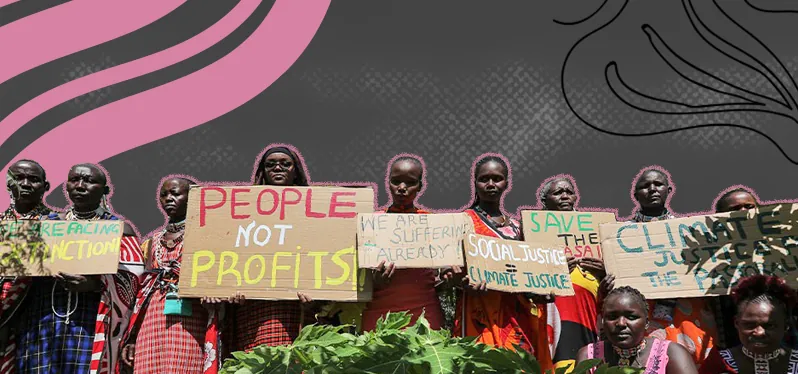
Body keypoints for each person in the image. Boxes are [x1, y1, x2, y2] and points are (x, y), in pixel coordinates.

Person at [12, 163, 144, 374]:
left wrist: (95, 284)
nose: (80, 186)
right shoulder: (48, 225)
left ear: (105, 190)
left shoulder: (118, 228)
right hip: (44, 321)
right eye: (74, 180)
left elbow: (133, 279)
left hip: (90, 320)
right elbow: (18, 276)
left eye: (89, 181)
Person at [447, 154, 553, 370]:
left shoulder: (520, 227)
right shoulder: (462, 222)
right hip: (479, 311)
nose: (491, 184)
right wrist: (461, 281)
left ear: (507, 183)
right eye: (484, 179)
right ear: (474, 183)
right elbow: (447, 273)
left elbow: (530, 270)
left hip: (516, 315)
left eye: (497, 179)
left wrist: (543, 287)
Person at [221, 145, 319, 353]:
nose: (277, 168)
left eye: (285, 164)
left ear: (296, 170)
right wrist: (228, 289)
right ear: (263, 171)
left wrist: (318, 294)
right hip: (253, 308)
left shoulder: (315, 211)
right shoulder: (244, 211)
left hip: (295, 308)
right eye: (270, 164)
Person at [120, 177, 222, 373]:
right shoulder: (150, 243)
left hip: (190, 321)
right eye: (164, 195)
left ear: (192, 198)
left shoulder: (206, 237)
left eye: (175, 194)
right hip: (151, 324)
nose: (168, 199)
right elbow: (139, 294)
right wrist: (132, 337)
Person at [626, 167, 717, 366]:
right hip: (644, 308)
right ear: (635, 195)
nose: (652, 189)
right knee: (647, 362)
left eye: (658, 184)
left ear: (669, 190)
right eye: (645, 186)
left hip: (685, 309)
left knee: (693, 359)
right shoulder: (622, 235)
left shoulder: (690, 230)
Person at [361, 155, 444, 331]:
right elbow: (358, 272)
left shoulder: (434, 224)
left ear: (420, 186)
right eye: (396, 181)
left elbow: (445, 274)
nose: (402, 188)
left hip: (424, 314)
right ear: (388, 182)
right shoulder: (371, 222)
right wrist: (373, 280)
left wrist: (450, 277)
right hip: (380, 313)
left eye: (410, 182)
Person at [540, 176, 606, 372]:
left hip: (588, 311)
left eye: (569, 192)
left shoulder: (593, 229)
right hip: (553, 312)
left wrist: (603, 270)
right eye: (558, 192)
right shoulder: (533, 232)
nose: (565, 196)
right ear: (545, 200)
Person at [0, 160, 52, 374]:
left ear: (45, 186)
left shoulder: (56, 224)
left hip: (37, 318)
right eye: (19, 178)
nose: (26, 183)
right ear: (7, 183)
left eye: (33, 179)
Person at [576, 285, 697, 373]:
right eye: (612, 317)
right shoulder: (588, 356)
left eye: (631, 317)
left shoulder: (671, 354)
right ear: (603, 322)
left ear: (646, 323)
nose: (621, 323)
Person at [700, 275, 798, 373]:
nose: (759, 332)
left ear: (786, 326)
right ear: (737, 323)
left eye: (770, 326)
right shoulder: (719, 363)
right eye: (750, 325)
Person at [710, 186, 760, 350]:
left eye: (749, 206)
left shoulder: (781, 246)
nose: (744, 211)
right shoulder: (707, 254)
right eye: (735, 209)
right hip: (730, 337)